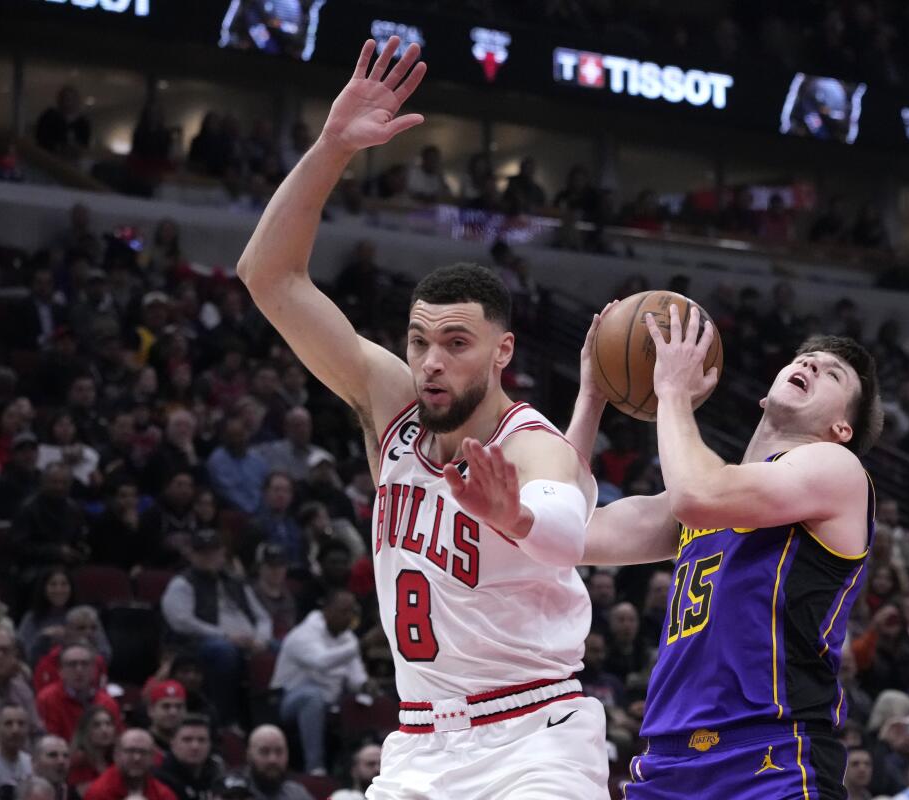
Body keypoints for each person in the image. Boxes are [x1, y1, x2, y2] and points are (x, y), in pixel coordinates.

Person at [236, 37, 607, 798]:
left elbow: (567, 526)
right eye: (419, 341)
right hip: (421, 746)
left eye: (456, 343)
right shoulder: (392, 404)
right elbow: (268, 276)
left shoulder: (530, 444)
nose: (431, 360)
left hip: (535, 739)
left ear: (502, 352)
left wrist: (518, 518)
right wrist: (332, 147)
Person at [514, 307, 879, 797]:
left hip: (771, 757)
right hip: (668, 760)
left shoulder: (838, 470)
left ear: (842, 429)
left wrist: (671, 391)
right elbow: (563, 534)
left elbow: (698, 494)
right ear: (764, 394)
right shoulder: (702, 494)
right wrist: (594, 395)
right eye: (806, 360)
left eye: (831, 373)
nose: (812, 366)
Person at [161, 529, 271, 726]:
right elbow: (181, 622)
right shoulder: (183, 583)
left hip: (249, 641)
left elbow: (262, 617)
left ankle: (270, 717)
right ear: (192, 554)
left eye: (214, 551)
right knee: (223, 651)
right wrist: (225, 636)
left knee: (281, 648)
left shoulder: (236, 582)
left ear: (223, 553)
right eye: (203, 552)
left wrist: (261, 639)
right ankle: (225, 719)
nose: (209, 557)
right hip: (201, 643)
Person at [270, 589, 365, 775]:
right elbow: (321, 662)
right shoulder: (303, 634)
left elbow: (356, 679)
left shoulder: (348, 638)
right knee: (313, 696)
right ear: (327, 610)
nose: (349, 617)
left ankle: (355, 769)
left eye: (352, 611)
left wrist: (366, 686)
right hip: (286, 701)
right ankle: (315, 768)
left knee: (363, 701)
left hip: (331, 702)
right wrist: (362, 645)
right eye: (343, 611)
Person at [35, 643, 121, 741]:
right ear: (61, 671)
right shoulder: (47, 699)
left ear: (94, 670)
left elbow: (116, 739)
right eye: (72, 664)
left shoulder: (108, 703)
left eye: (84, 664)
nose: (79, 670)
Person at [83, 730, 176, 800]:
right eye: (130, 751)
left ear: (153, 757)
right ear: (116, 755)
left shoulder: (163, 795)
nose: (137, 758)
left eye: (143, 752)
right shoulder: (99, 794)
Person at [153, 715, 221, 800]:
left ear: (210, 744)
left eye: (202, 740)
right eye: (187, 740)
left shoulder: (216, 777)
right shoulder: (159, 782)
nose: (195, 746)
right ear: (172, 742)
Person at [240, 727, 310, 800]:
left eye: (279, 752)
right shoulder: (234, 792)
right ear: (249, 756)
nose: (273, 760)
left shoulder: (297, 793)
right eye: (264, 752)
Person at [66, 707, 115, 793]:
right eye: (96, 725)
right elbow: (87, 795)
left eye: (108, 724)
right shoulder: (80, 760)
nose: (104, 730)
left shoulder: (114, 758)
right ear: (85, 730)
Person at [143, 681, 187, 758]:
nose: (173, 712)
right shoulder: (141, 745)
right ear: (151, 710)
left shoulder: (192, 747)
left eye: (178, 706)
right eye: (166, 706)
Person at [30, 736, 77, 800]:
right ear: (34, 762)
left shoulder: (75, 795)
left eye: (66, 756)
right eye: (53, 755)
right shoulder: (18, 794)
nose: (61, 761)